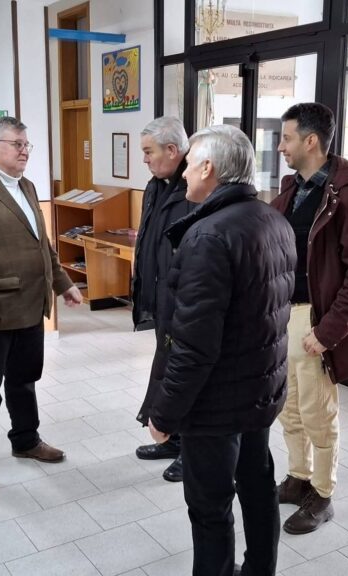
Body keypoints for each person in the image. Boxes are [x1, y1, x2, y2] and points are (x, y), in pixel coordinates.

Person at [148, 124, 296, 576]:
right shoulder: (272, 218)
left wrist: (164, 414)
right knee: (257, 485)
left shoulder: (208, 236)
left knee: (209, 507)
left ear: (208, 168)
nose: (184, 174)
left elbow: (193, 345)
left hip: (217, 401)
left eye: (190, 164)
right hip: (258, 387)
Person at [271, 102, 348, 535]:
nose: (280, 147)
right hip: (284, 317)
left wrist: (327, 332)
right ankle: (298, 477)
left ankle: (323, 494)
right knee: (288, 408)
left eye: (287, 138)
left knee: (317, 413)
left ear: (311, 141)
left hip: (315, 322)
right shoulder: (293, 189)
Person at [0, 116, 82, 505]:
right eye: (17, 144)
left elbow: (42, 244)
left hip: (29, 305)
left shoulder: (26, 185)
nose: (25, 151)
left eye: (27, 145)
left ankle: (26, 440)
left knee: (24, 380)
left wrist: (64, 283)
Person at [132, 116, 195, 483]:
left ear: (172, 150)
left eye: (148, 152)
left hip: (185, 301)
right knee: (168, 368)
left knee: (185, 374)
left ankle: (192, 451)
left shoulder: (194, 186)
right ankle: (173, 437)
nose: (145, 160)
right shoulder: (157, 185)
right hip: (162, 297)